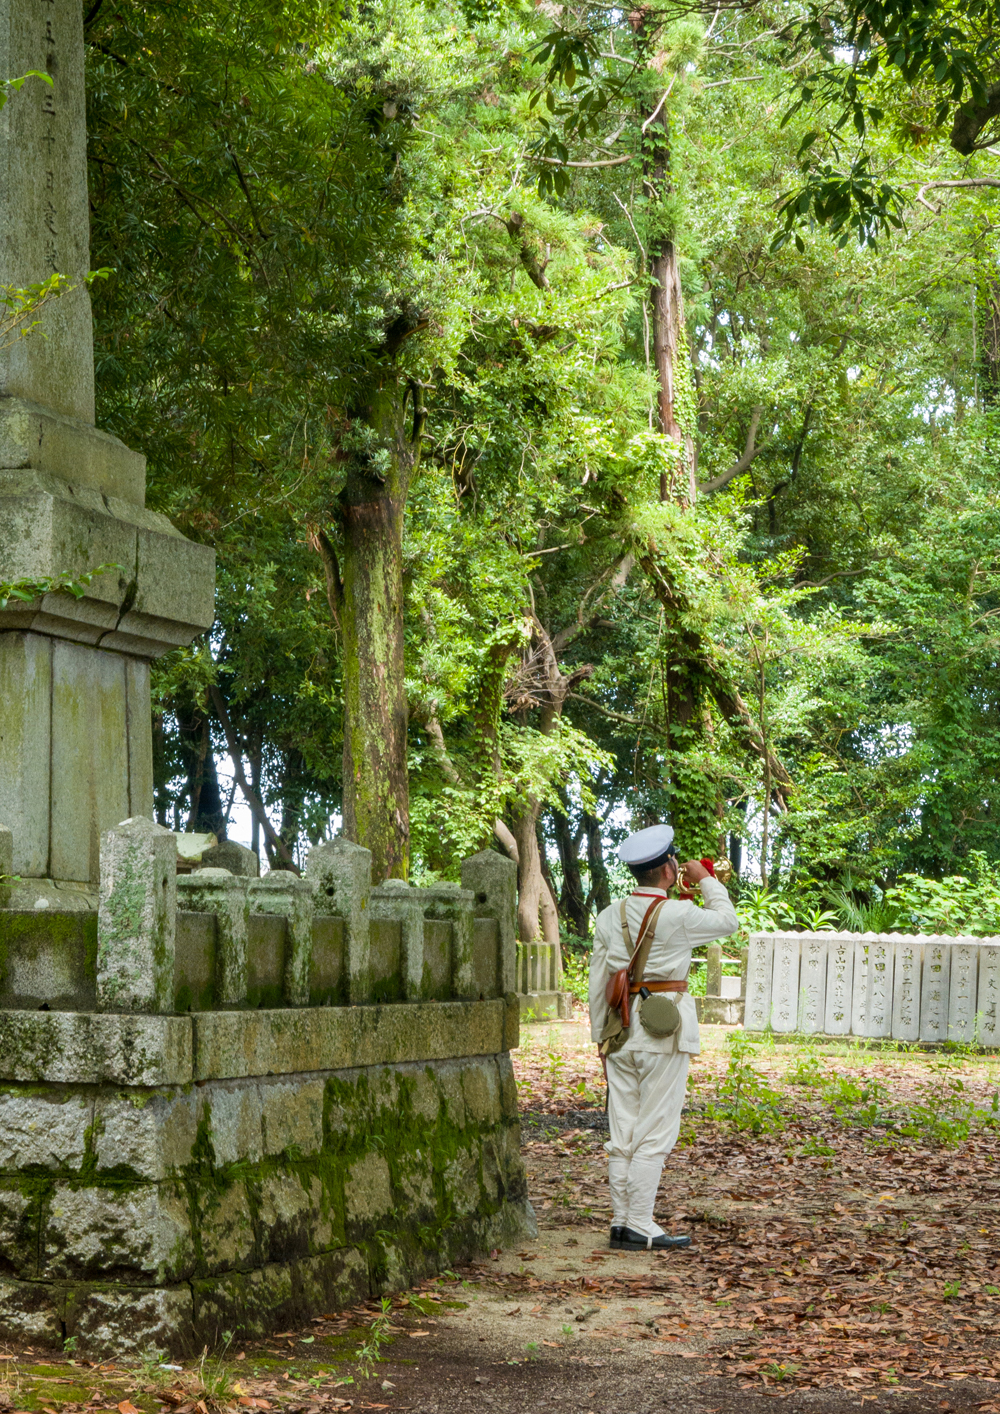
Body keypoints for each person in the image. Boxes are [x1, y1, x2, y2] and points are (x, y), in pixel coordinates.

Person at [589, 824, 738, 1252]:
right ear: (669, 869)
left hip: (620, 1030)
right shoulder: (677, 914)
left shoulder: (607, 915)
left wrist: (601, 1038)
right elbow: (728, 920)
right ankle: (638, 1223)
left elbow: (599, 981)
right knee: (655, 1131)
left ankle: (621, 1222)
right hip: (662, 1032)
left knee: (623, 1131)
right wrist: (707, 879)